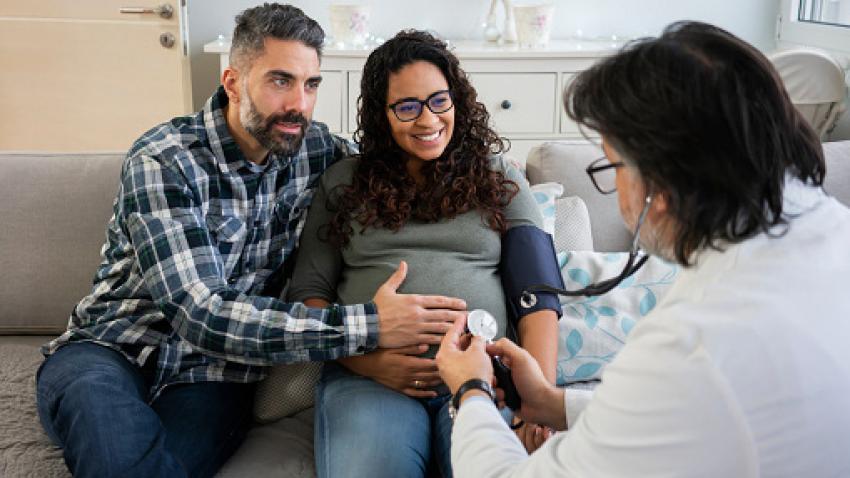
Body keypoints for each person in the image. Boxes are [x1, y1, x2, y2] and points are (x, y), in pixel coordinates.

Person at [34, 5, 467, 477]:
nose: (299, 104)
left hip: (216, 377)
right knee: (116, 452)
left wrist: (463, 162)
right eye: (281, 81)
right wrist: (369, 327)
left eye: (311, 84)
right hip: (110, 350)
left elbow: (401, 163)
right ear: (233, 82)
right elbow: (200, 311)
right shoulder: (164, 159)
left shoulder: (323, 154)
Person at [436, 21, 850, 477]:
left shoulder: (690, 342)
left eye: (613, 165)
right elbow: (691, 416)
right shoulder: (832, 235)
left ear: (661, 183)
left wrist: (470, 389)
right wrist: (555, 404)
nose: (617, 189)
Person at [286, 30, 565, 478]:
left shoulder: (500, 177)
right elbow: (310, 294)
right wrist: (368, 362)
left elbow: (539, 294)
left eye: (439, 100)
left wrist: (539, 397)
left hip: (484, 376)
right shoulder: (342, 182)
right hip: (370, 379)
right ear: (383, 114)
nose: (427, 119)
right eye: (407, 106)